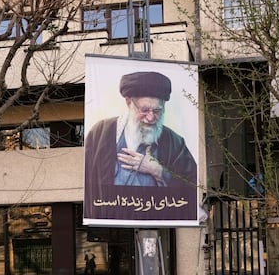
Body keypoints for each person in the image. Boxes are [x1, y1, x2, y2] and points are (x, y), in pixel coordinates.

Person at [84, 71, 197, 221]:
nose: (150, 118)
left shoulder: (175, 143)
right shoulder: (100, 133)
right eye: (144, 110)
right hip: (111, 224)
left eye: (157, 111)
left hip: (156, 221)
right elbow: (90, 189)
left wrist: (158, 171)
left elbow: (191, 189)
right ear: (129, 102)